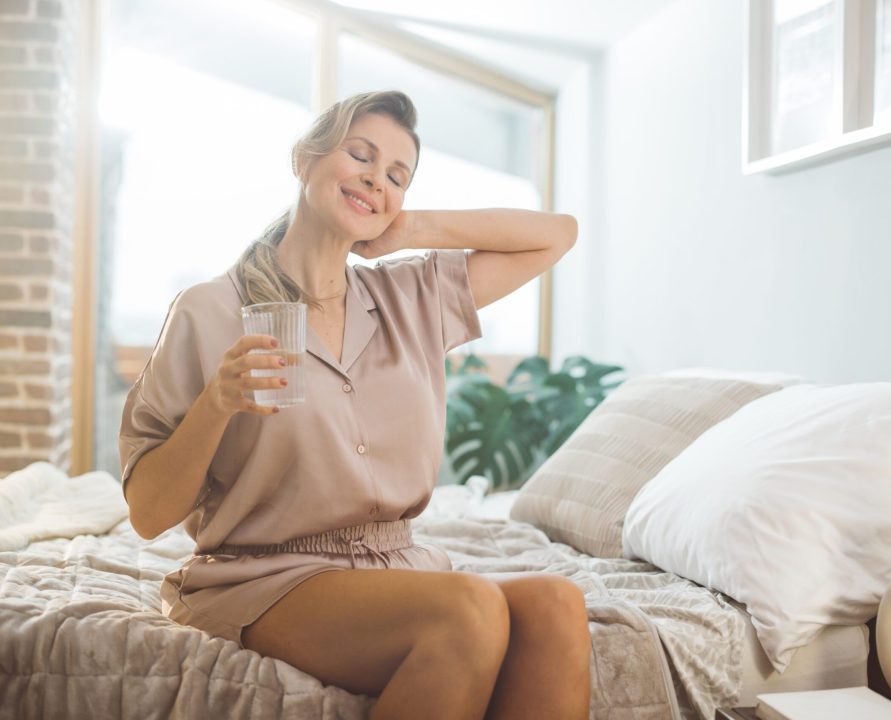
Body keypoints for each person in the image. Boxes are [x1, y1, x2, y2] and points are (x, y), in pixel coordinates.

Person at [119, 90, 588, 719]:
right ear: (303, 160)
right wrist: (217, 402)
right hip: (267, 575)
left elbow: (558, 235)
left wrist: (409, 225)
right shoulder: (208, 311)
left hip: (395, 563)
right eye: (359, 156)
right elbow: (149, 514)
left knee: (558, 607)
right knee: (469, 612)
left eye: (397, 174)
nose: (375, 178)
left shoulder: (412, 295)